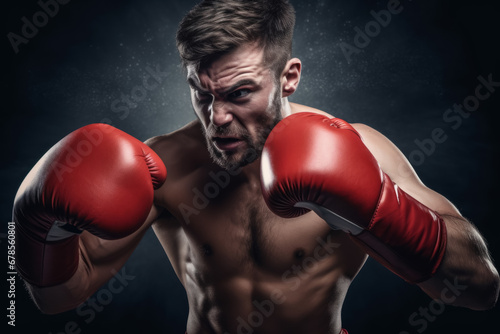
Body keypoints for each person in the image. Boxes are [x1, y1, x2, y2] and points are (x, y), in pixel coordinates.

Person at [12, 1, 499, 333]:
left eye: (240, 93)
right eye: (202, 93)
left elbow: (479, 287)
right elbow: (57, 299)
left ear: (288, 77)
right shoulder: (164, 164)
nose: (216, 117)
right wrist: (36, 229)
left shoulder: (359, 148)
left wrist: (375, 206)